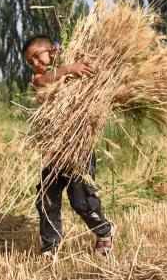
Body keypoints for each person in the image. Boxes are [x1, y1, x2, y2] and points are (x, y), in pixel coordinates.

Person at [22, 35, 114, 256]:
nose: (35, 63)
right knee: (47, 196)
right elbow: (40, 83)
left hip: (80, 145)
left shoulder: (79, 67)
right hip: (55, 148)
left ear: (54, 51)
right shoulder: (42, 78)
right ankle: (50, 247)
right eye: (30, 62)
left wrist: (76, 68)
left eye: (36, 56)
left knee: (80, 197)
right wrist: (68, 69)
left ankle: (104, 230)